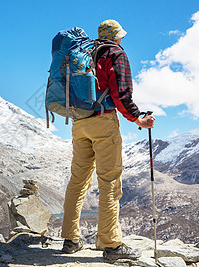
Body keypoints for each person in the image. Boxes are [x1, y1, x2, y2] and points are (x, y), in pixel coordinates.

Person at [61, 20, 155, 260]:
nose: (122, 40)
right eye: (121, 36)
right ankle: (110, 245)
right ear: (116, 36)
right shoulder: (115, 54)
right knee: (109, 183)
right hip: (103, 121)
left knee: (78, 180)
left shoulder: (85, 53)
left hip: (79, 122)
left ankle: (70, 239)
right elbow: (121, 93)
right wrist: (137, 119)